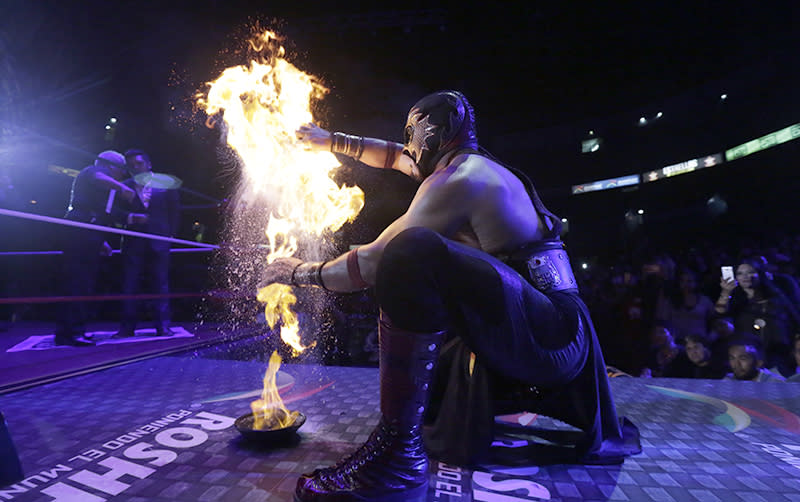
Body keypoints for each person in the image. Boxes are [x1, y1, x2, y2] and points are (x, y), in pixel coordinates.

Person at [260, 90, 639, 502]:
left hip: (550, 337)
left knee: (411, 252)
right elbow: (393, 157)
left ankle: (399, 459)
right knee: (420, 266)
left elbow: (372, 264)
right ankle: (407, 441)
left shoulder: (460, 180)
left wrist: (299, 273)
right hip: (544, 324)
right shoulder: (465, 164)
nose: (405, 146)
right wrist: (330, 140)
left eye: (411, 133)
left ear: (436, 134)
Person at [54, 150, 135, 346]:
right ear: (110, 166)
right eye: (121, 170)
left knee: (85, 282)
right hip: (80, 230)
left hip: (90, 232)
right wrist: (122, 188)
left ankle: (74, 329)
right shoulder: (91, 172)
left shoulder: (106, 191)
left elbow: (103, 214)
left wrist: (101, 241)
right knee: (78, 281)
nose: (122, 175)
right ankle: (70, 332)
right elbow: (97, 176)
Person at [114, 149, 180, 338]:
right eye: (132, 165)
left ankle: (163, 326)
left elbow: (174, 212)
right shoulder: (123, 186)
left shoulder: (166, 184)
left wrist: (170, 237)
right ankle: (127, 327)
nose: (136, 168)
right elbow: (114, 212)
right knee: (130, 284)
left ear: (148, 164)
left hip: (160, 240)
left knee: (160, 283)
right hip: (133, 241)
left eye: (139, 163)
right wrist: (131, 218)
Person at [716, 257, 800, 376]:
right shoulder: (736, 302)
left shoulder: (777, 299)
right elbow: (720, 312)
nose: (745, 276)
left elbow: (793, 319)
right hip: (748, 358)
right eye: (740, 273)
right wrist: (726, 292)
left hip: (778, 357)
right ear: (736, 278)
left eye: (751, 272)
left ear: (760, 275)